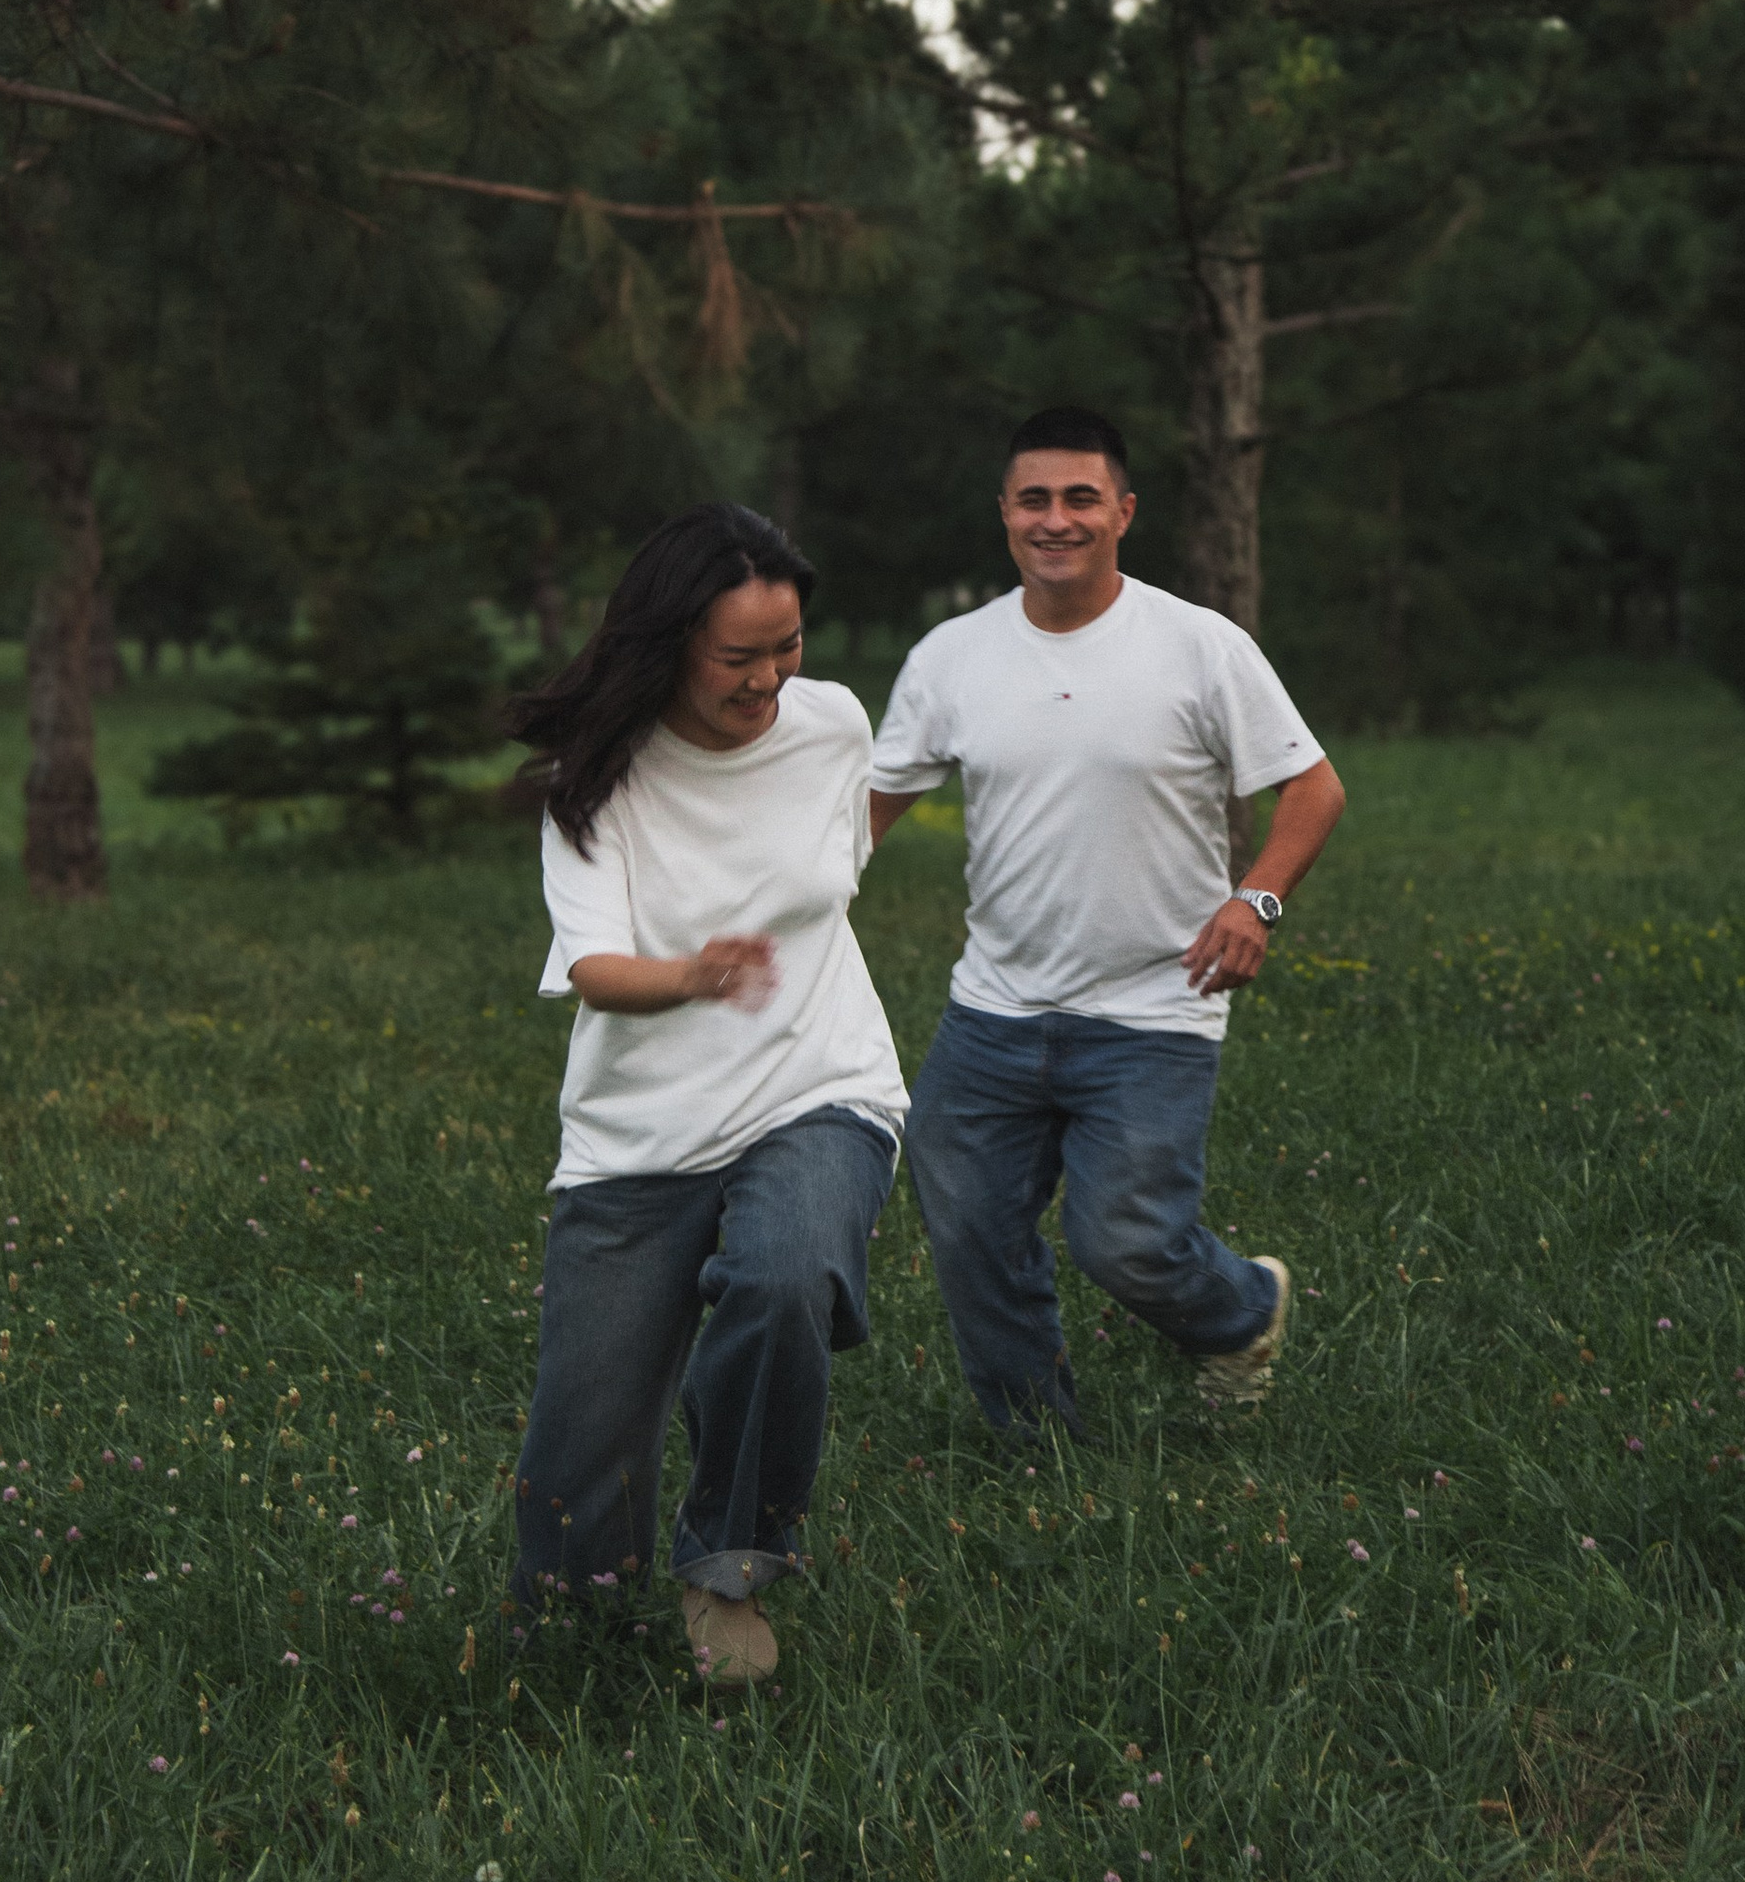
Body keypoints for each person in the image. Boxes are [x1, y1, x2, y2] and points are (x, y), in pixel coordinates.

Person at [868, 407, 1345, 1437]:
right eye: (1034, 499)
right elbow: (866, 812)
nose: (1057, 519)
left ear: (1123, 513)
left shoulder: (1198, 646)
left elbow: (1313, 787)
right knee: (969, 1228)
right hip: (992, 1010)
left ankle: (1241, 1313)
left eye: (1080, 498)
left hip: (1154, 1007)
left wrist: (1255, 899)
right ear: (1004, 513)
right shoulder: (951, 656)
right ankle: (1032, 1437)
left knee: (1126, 1243)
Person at [506, 502, 904, 1686]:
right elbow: (593, 969)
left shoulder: (833, 725)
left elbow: (836, 872)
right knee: (577, 1470)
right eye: (739, 656)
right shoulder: (597, 780)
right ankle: (578, 1644)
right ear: (670, 642)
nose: (770, 679)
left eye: (788, 646)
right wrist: (693, 973)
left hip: (821, 1084)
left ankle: (729, 1564)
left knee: (785, 1275)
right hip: (642, 1132)